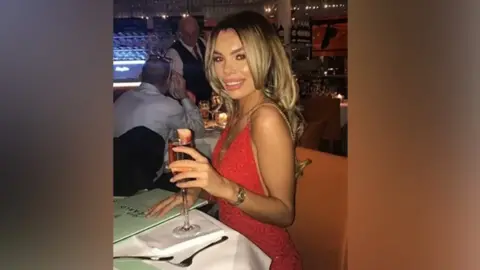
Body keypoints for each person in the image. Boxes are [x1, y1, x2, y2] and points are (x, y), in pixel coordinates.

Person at [147, 11, 309, 270]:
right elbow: (238, 181)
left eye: (241, 56)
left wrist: (223, 187)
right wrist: (197, 192)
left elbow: (284, 213)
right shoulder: (238, 111)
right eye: (219, 58)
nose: (228, 70)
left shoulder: (266, 117)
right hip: (231, 250)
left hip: (265, 260)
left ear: (264, 56)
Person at [114, 57, 205, 189]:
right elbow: (198, 131)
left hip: (115, 177)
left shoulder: (121, 99)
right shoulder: (168, 106)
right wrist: (184, 96)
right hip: (147, 180)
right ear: (169, 79)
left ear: (141, 76)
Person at [165, 16, 213, 102]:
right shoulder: (173, 53)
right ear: (180, 33)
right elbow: (174, 87)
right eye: (187, 34)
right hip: (188, 105)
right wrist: (185, 96)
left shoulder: (203, 43)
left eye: (194, 33)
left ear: (198, 31)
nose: (191, 37)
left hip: (207, 101)